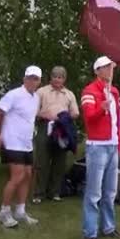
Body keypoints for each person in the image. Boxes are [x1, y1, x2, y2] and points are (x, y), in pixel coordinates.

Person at [80, 56, 120, 239]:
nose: (110, 71)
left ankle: (108, 227)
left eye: (112, 67)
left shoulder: (114, 92)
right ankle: (90, 232)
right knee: (94, 192)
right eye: (106, 67)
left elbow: (118, 121)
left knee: (110, 191)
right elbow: (89, 117)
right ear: (98, 70)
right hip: (97, 147)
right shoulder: (89, 91)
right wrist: (101, 108)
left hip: (112, 145)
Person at [0, 65, 42, 228]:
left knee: (27, 174)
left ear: (39, 81)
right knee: (17, 176)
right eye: (29, 78)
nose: (32, 81)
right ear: (24, 79)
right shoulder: (14, 95)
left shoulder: (36, 98)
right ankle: (4, 212)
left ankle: (20, 211)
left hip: (26, 143)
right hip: (12, 142)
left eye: (35, 79)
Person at [33, 66, 79, 204]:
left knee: (60, 161)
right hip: (45, 126)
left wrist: (67, 117)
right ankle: (39, 193)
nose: (57, 79)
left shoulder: (69, 94)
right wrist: (44, 114)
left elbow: (75, 112)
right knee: (42, 160)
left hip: (62, 128)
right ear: (50, 78)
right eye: (55, 76)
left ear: (64, 79)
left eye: (60, 77)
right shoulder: (41, 92)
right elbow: (33, 110)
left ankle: (54, 192)